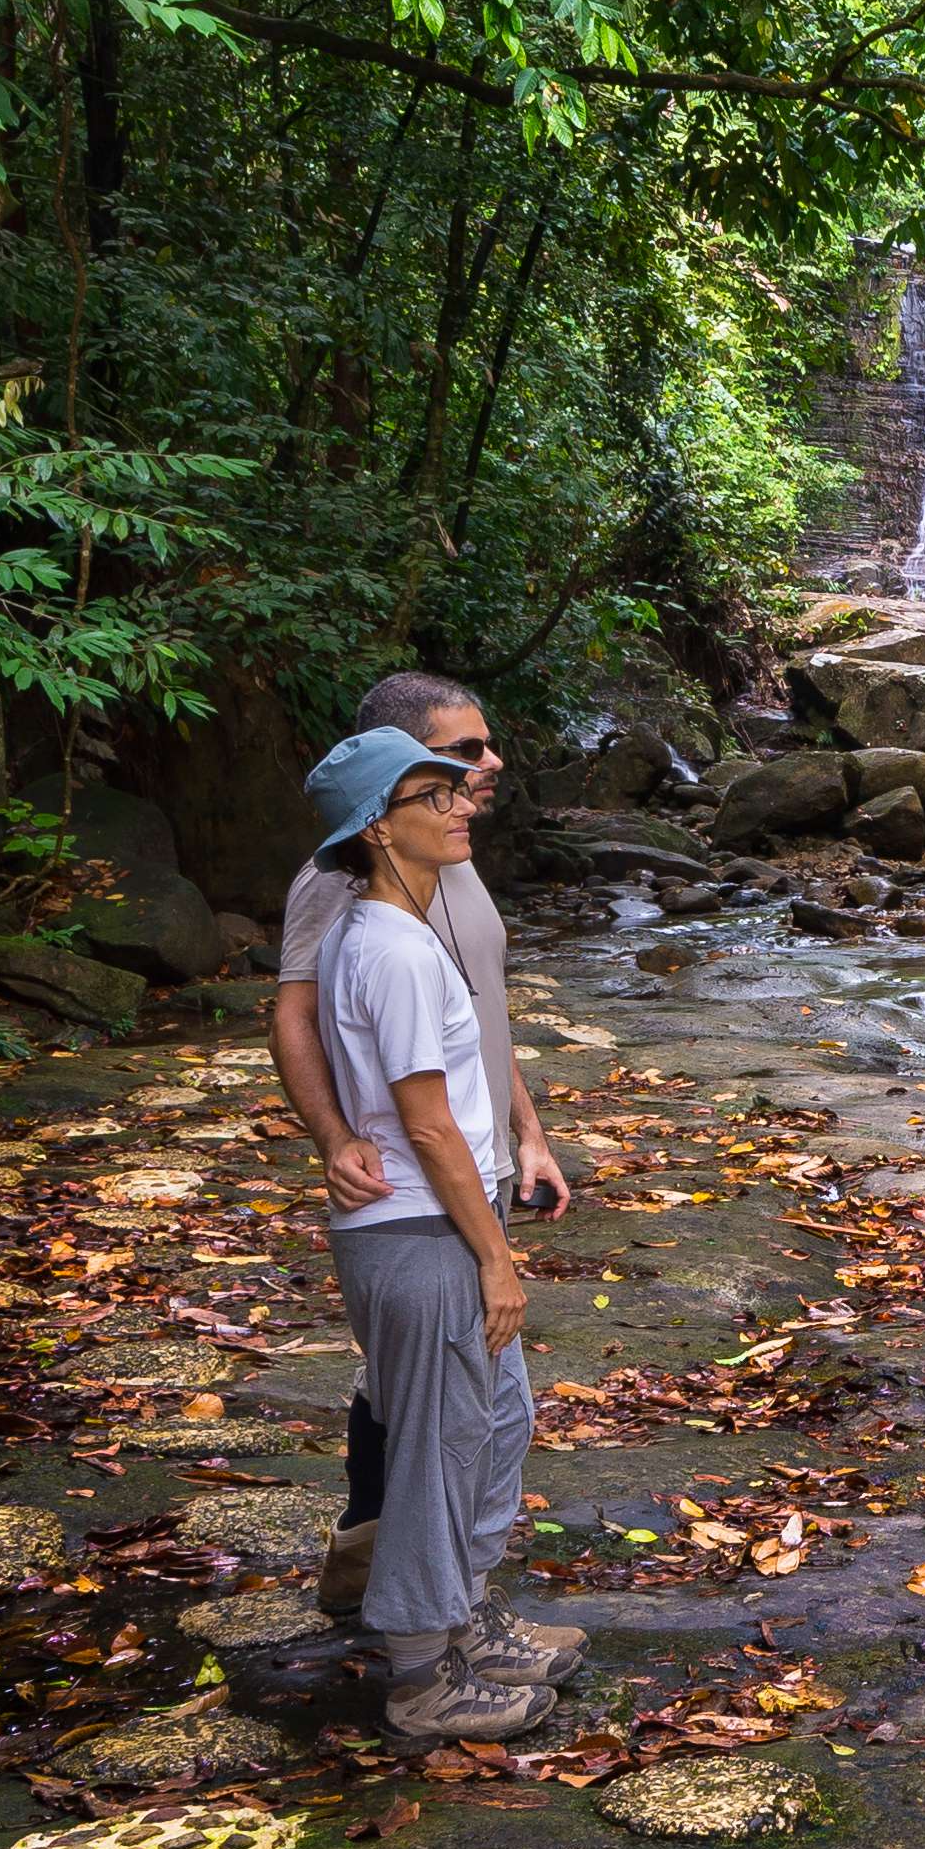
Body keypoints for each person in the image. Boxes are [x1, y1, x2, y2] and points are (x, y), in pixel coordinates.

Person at [294, 724, 573, 1739]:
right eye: (433, 795)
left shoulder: (401, 935)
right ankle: (421, 1677)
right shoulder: (391, 948)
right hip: (420, 1231)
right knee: (438, 1449)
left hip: (434, 1220)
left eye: (457, 791)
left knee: (495, 1422)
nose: (461, 807)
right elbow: (425, 1120)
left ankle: (465, 1617)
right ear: (377, 827)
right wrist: (494, 1254)